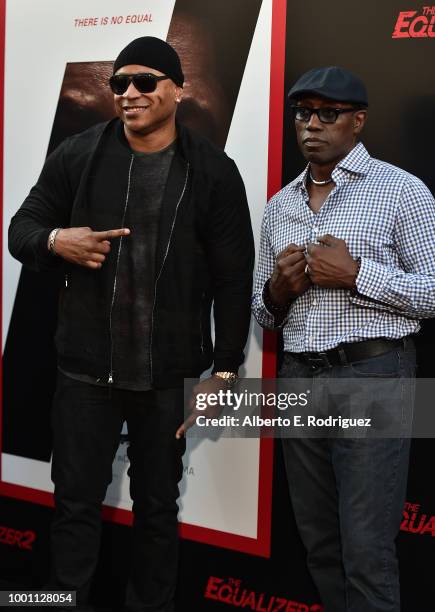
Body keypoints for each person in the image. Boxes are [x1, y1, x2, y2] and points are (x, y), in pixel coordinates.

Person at [9, 36, 254, 612]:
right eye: (119, 83)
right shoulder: (80, 153)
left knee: (157, 510)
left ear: (176, 88)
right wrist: (55, 240)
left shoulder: (213, 170)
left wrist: (222, 372)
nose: (129, 94)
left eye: (144, 81)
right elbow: (23, 226)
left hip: (167, 377)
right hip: (85, 374)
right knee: (73, 507)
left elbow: (234, 276)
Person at [252, 66, 435, 611]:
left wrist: (357, 275)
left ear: (357, 122)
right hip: (300, 378)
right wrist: (279, 291)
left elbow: (432, 292)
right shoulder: (280, 205)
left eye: (327, 114)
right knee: (321, 546)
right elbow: (263, 316)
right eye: (303, 113)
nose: (311, 125)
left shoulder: (402, 191)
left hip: (374, 376)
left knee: (367, 551)